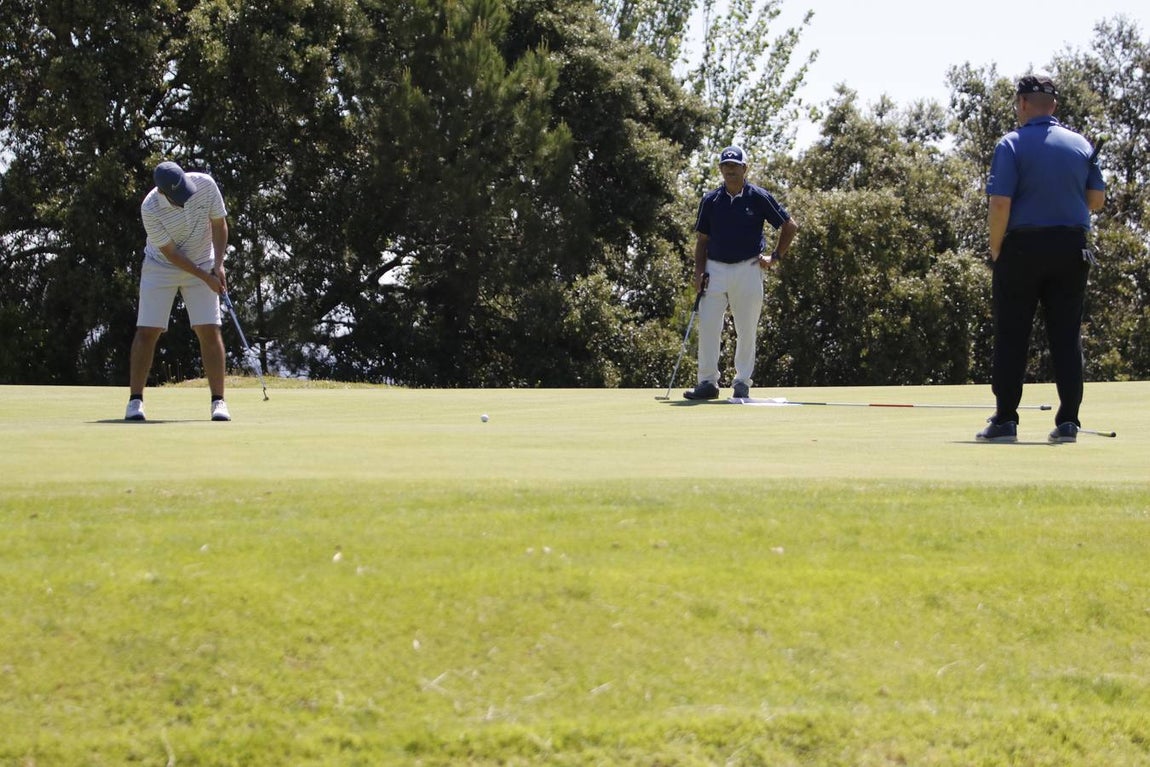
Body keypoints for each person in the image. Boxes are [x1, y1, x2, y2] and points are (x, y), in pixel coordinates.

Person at [977, 75, 1106, 443]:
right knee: (1066, 335)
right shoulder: (1080, 144)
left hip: (1022, 247)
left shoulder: (1011, 143)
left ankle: (1005, 420)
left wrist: (996, 247)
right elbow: (1095, 200)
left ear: (1021, 103)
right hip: (1071, 247)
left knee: (1012, 333)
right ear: (1055, 105)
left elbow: (1000, 202)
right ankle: (1068, 422)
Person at [683, 145, 798, 400]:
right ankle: (707, 383)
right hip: (715, 269)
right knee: (710, 326)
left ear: (745, 168)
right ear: (721, 169)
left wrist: (775, 257)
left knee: (746, 329)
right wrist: (698, 271)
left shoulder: (758, 197)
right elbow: (702, 240)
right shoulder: (710, 201)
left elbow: (789, 226)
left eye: (735, 166)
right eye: (726, 166)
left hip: (748, 268)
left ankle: (742, 382)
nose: (730, 170)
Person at [125, 161, 232, 422]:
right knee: (148, 330)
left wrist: (218, 265)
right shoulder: (150, 208)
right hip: (161, 265)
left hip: (204, 261)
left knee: (209, 328)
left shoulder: (205, 185)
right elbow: (171, 254)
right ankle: (135, 401)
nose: (184, 199)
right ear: (162, 192)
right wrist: (203, 277)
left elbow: (219, 224)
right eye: (177, 197)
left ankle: (219, 402)